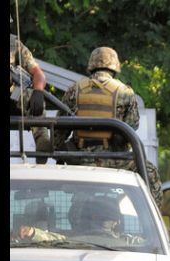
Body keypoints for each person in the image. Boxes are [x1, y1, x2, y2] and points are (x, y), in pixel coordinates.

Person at [52, 47, 163, 208]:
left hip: (80, 160)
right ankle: (156, 220)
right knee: (150, 172)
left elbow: (59, 127)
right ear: (115, 67)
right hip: (113, 159)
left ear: (91, 66)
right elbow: (132, 126)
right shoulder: (125, 92)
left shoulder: (74, 89)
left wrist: (60, 151)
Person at [10, 15, 51, 164]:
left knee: (31, 95)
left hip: (12, 99)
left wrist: (38, 91)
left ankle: (42, 142)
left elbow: (38, 74)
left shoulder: (14, 45)